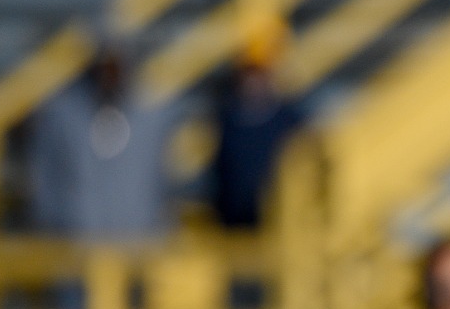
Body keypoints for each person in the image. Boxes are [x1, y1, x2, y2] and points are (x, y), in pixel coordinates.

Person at [27, 39, 176, 237]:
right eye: (104, 66)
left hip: (138, 241)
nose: (109, 74)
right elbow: (47, 177)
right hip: (76, 241)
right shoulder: (63, 115)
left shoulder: (152, 116)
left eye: (115, 66)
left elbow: (160, 181)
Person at [209, 38, 304, 229]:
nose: (254, 86)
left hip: (277, 219)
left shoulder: (289, 121)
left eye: (259, 79)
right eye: (249, 79)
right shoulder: (224, 120)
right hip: (233, 220)